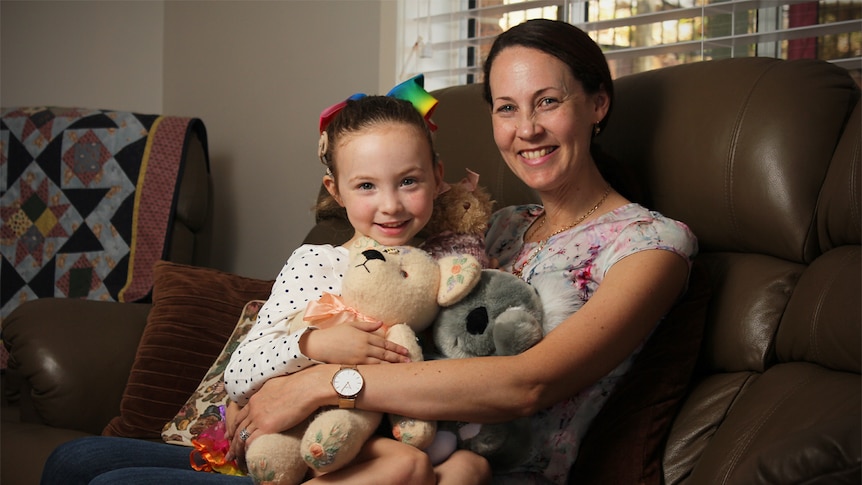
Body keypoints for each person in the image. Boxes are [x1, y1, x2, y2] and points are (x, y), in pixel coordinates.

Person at [227, 18, 697, 484]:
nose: (527, 129)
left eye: (548, 102)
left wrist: (319, 385)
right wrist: (258, 389)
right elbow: (377, 307)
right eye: (507, 108)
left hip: (503, 471)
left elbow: (528, 383)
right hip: (411, 450)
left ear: (598, 104)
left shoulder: (650, 245)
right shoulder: (493, 227)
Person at [41, 80, 490, 485]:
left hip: (376, 449)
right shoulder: (316, 263)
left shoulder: (449, 272)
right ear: (336, 191)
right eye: (367, 186)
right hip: (284, 445)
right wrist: (311, 345)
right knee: (74, 458)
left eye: (408, 181)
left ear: (436, 177)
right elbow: (238, 378)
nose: (390, 205)